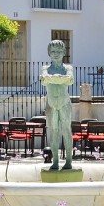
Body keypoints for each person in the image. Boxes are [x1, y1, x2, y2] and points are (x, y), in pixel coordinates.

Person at [39, 40, 75, 170]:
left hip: (64, 103)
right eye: (53, 51)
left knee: (66, 131)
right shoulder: (45, 68)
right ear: (49, 53)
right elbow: (44, 80)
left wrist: (52, 78)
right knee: (54, 132)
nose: (56, 54)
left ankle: (69, 160)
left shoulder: (68, 68)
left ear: (64, 52)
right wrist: (60, 79)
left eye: (59, 51)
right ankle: (55, 161)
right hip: (51, 103)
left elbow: (70, 80)